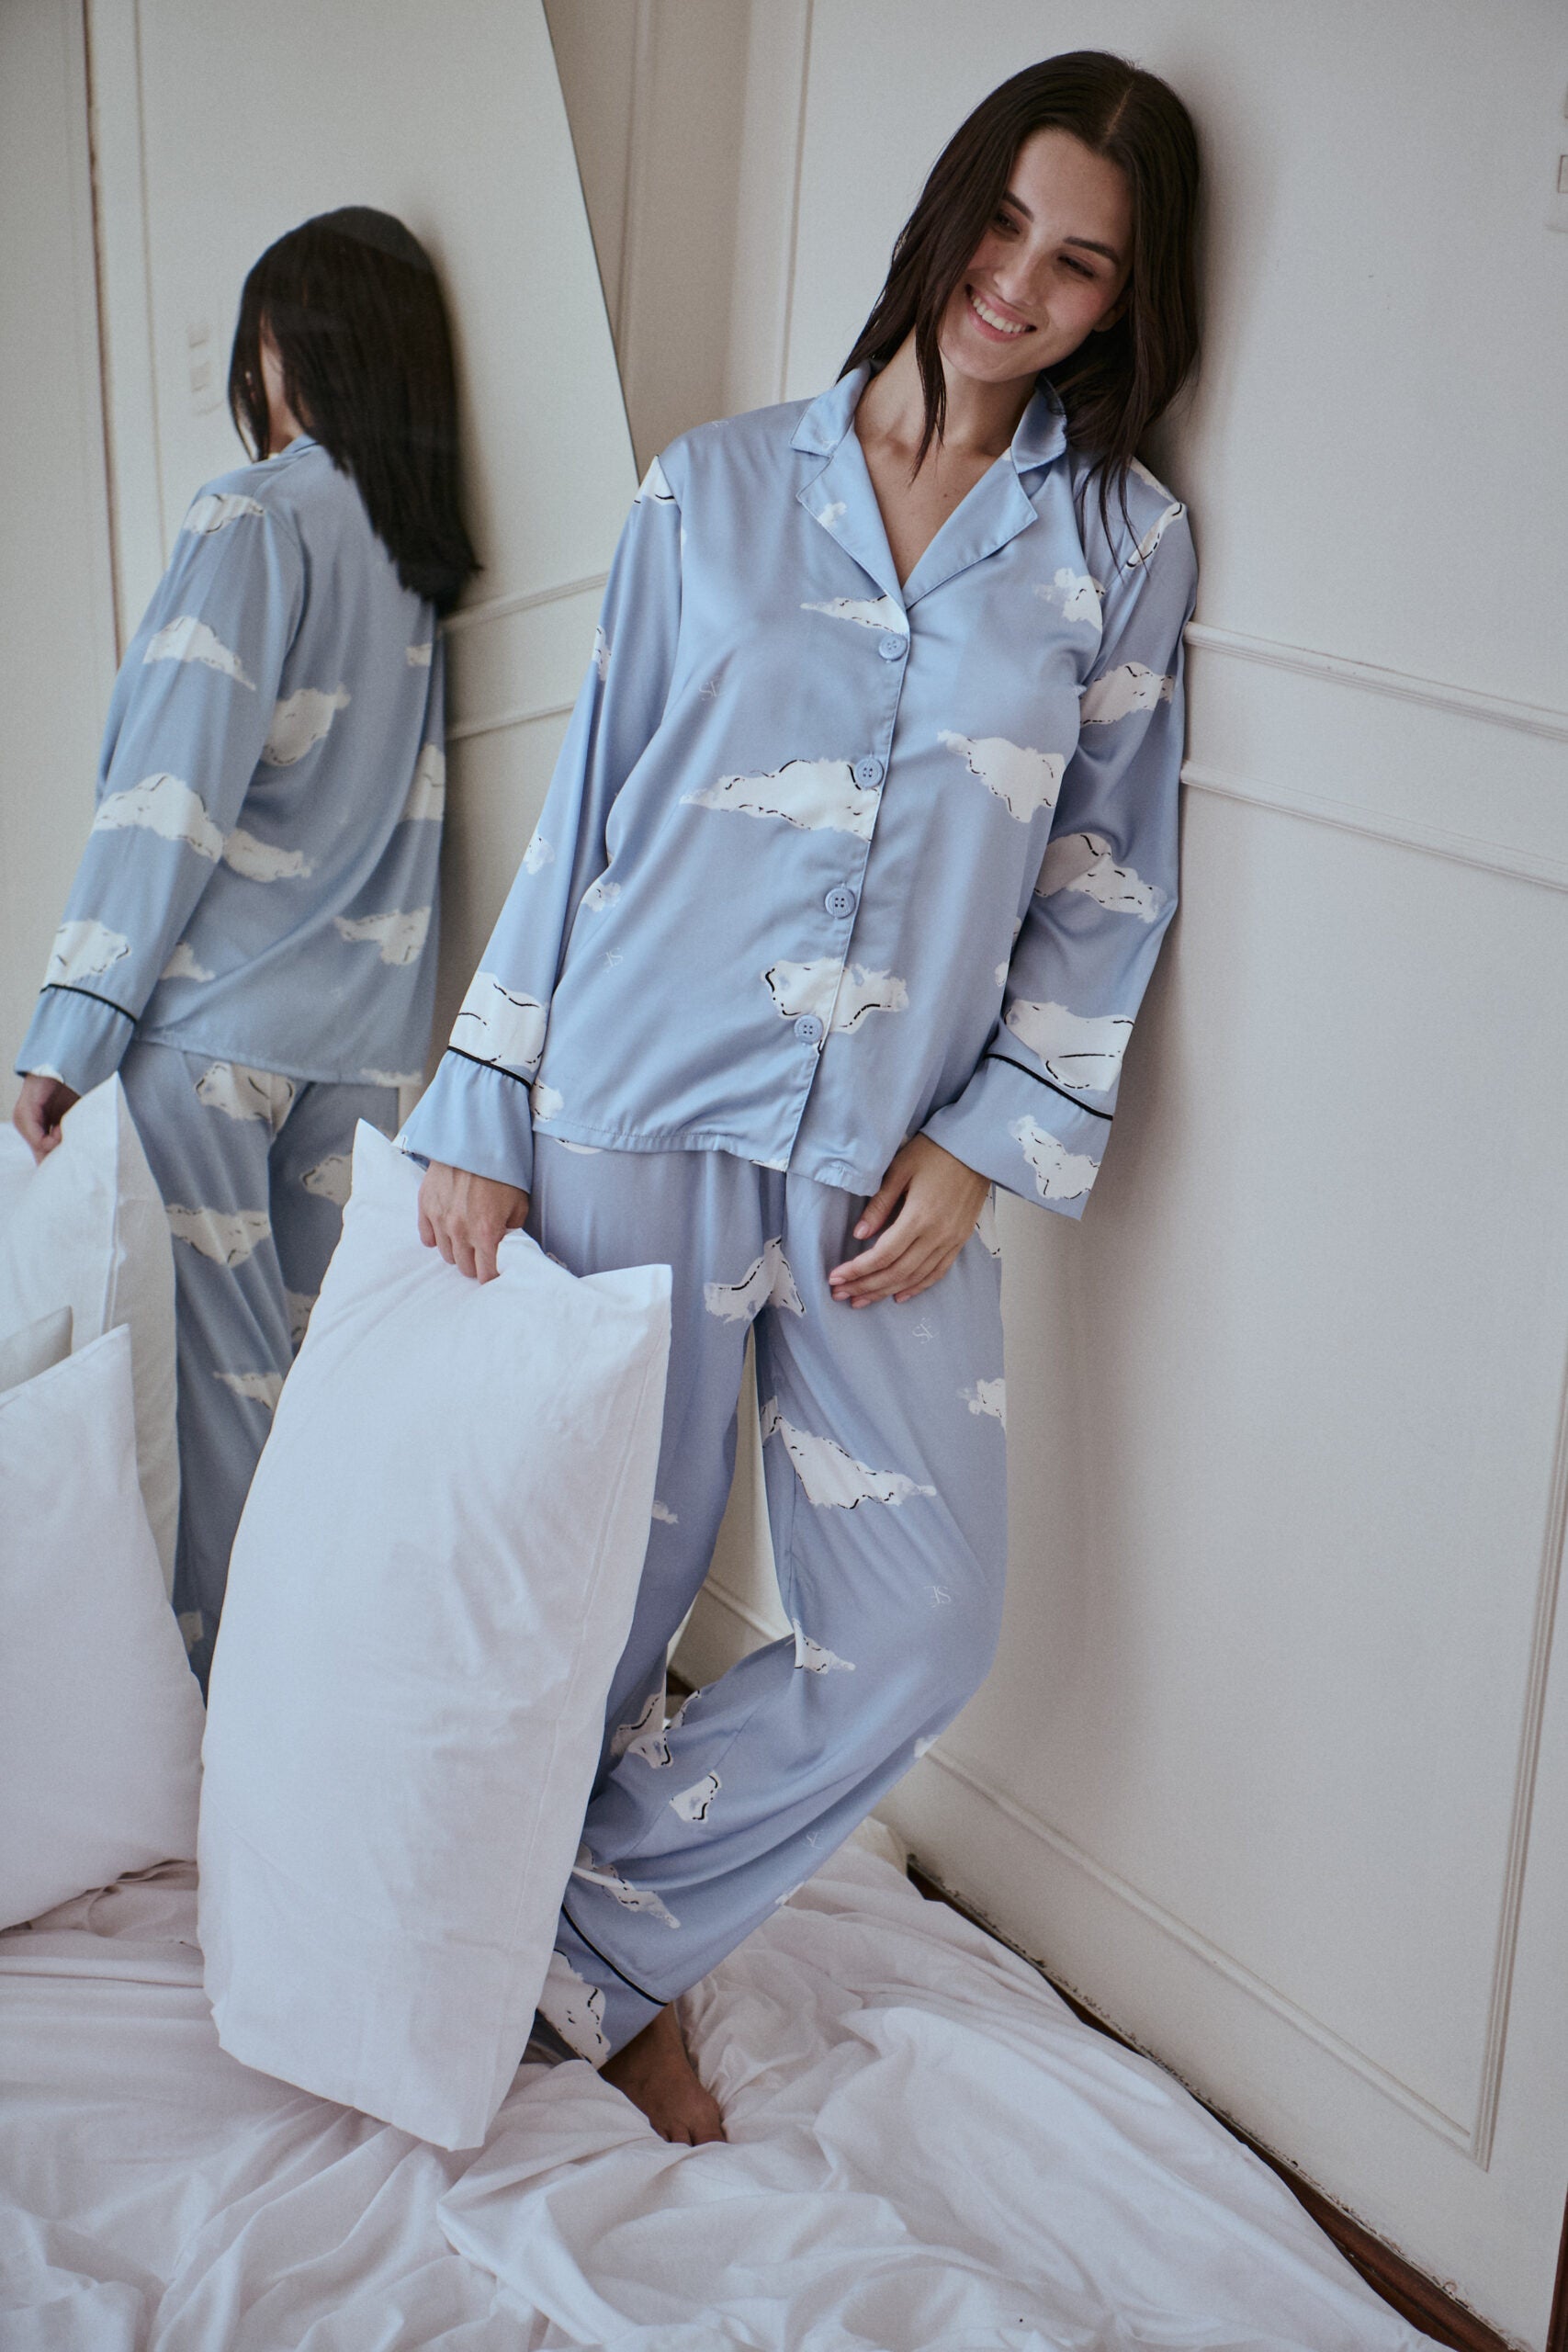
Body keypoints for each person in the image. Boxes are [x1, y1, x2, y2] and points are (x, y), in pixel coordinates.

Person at [407, 51, 1200, 2143]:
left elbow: (1106, 876)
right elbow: (589, 811)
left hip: (889, 1163)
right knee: (601, 1596)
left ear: (1125, 306)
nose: (1016, 285)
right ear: (944, 214)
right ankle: (535, 1962)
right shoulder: (715, 486)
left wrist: (991, 1136)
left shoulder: (1115, 545)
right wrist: (485, 1107)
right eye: (1001, 226)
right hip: (630, 1101)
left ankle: (592, 1937)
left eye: (1078, 266)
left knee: (918, 1617)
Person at [13, 207, 477, 1690]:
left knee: (211, 1420)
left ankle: (239, 1734)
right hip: (360, 1056)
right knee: (307, 1405)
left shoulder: (256, 519)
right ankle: (322, 1710)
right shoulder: (419, 570)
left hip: (212, 1043)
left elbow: (169, 795)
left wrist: (68, 1030)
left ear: (284, 349)